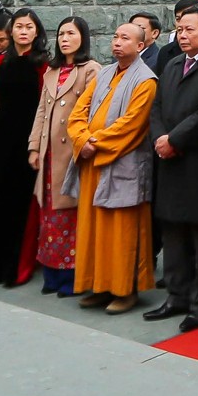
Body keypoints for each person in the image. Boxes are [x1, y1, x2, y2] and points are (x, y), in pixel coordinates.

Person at [147, 0, 198, 330]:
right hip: (169, 161)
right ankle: (176, 295)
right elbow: (157, 106)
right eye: (178, 29)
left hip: (197, 162)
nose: (182, 35)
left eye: (189, 29)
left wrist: (175, 140)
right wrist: (160, 138)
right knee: (173, 232)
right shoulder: (172, 64)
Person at [70, 21, 158, 314]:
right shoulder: (104, 73)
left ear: (140, 46)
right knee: (94, 229)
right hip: (92, 164)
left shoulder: (146, 80)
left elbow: (131, 125)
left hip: (122, 165)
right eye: (115, 37)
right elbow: (78, 111)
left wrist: (94, 143)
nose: (117, 42)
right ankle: (99, 285)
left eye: (125, 38)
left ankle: (125, 290)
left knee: (121, 232)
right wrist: (81, 139)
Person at [28, 16, 100, 297]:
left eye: (71, 33)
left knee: (71, 216)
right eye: (61, 34)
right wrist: (34, 147)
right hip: (49, 156)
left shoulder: (92, 70)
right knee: (49, 215)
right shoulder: (51, 71)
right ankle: (51, 273)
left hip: (72, 154)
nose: (64, 38)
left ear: (83, 37)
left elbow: (94, 112)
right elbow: (41, 112)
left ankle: (73, 275)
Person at [0, 8, 47, 287]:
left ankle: (20, 265)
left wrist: (40, 144)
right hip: (2, 139)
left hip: (30, 140)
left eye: (29, 27)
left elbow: (46, 107)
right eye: (19, 26)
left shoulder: (44, 64)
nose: (23, 31)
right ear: (11, 31)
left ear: (36, 32)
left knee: (24, 202)